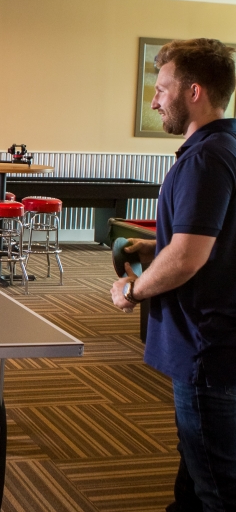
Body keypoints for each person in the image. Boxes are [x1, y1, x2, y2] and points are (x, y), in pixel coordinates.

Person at [110, 38, 236, 512]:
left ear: (195, 92)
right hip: (215, 342)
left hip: (206, 348)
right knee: (195, 471)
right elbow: (215, 240)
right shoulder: (227, 146)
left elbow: (187, 258)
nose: (155, 99)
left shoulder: (205, 157)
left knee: (217, 489)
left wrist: (133, 290)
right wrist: (154, 244)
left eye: (162, 89)